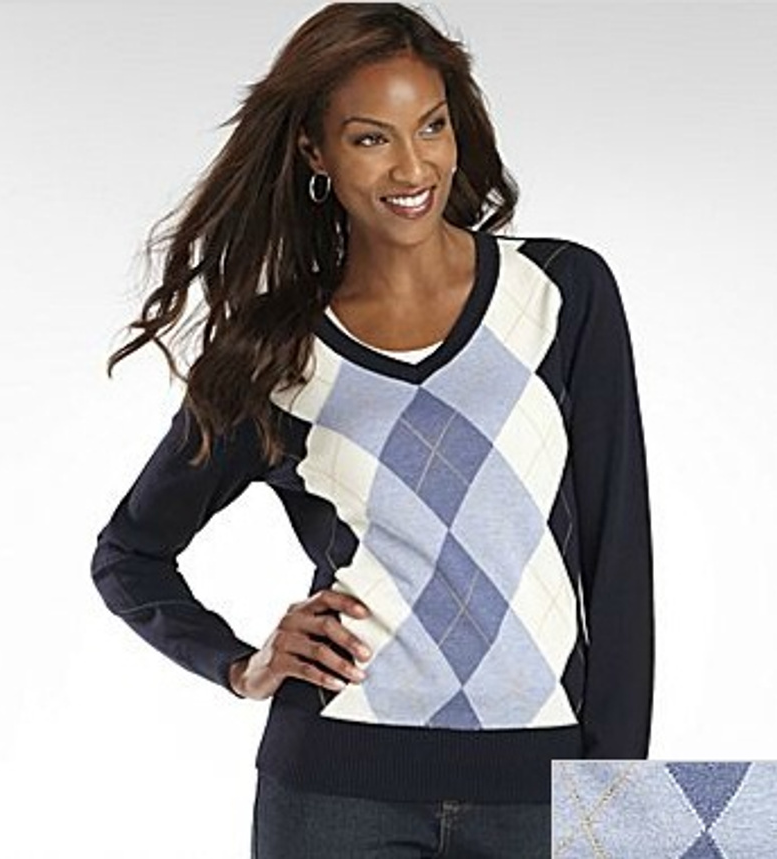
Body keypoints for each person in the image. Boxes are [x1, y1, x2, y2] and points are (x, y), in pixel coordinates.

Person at [90, 3, 654, 857]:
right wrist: (242, 665)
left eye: (431, 126)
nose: (412, 165)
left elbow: (620, 559)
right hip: (334, 788)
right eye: (369, 138)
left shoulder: (561, 291)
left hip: (542, 788)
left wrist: (617, 803)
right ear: (315, 152)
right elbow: (129, 553)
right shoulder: (275, 348)